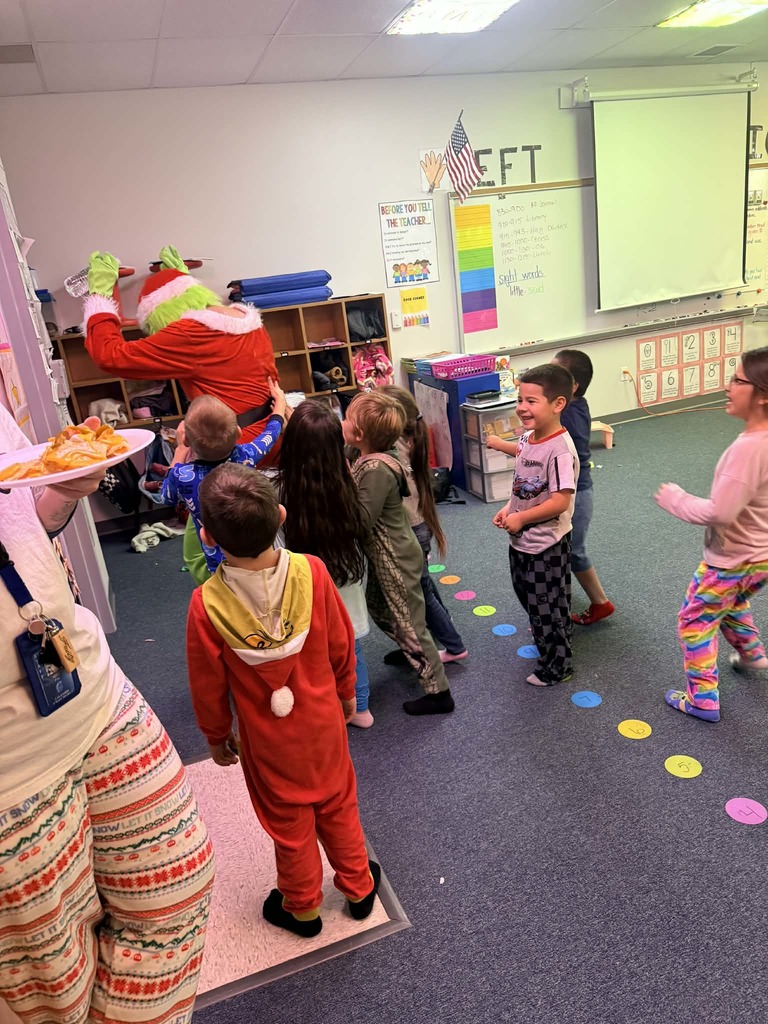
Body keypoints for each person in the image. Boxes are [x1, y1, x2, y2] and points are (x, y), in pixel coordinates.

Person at [0, 407, 215, 1024]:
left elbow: (26, 518)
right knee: (52, 984)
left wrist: (59, 498)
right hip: (13, 767)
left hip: (86, 685)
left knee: (177, 888)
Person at [185, 464, 379, 936]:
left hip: (268, 744)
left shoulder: (205, 605)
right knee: (339, 805)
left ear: (207, 536)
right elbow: (341, 645)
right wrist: (348, 694)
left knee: (289, 828)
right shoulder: (311, 571)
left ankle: (303, 908)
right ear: (282, 516)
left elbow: (206, 687)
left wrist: (216, 738)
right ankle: (358, 888)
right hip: (324, 724)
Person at [655, 349, 768, 723]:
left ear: (763, 394)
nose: (728, 386)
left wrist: (677, 499)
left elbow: (720, 511)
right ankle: (752, 654)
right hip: (760, 558)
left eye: (738, 381)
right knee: (732, 602)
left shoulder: (748, 450)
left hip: (731, 559)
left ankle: (702, 698)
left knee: (695, 620)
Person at [345, 391, 455, 716]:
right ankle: (413, 652)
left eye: (348, 419)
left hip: (395, 556)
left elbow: (362, 520)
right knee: (379, 609)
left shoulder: (377, 467)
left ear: (360, 434)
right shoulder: (372, 456)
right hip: (388, 555)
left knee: (409, 623)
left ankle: (439, 692)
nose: (343, 423)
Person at [278, 401, 375, 728]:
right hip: (344, 579)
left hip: (303, 583)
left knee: (312, 651)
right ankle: (360, 708)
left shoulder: (282, 488)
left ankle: (325, 708)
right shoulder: (345, 486)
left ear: (291, 446)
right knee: (351, 648)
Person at [491, 364, 578, 687]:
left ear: (557, 404)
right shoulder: (528, 439)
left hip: (547, 542)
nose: (522, 408)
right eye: (519, 399)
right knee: (529, 596)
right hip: (521, 538)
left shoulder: (559, 450)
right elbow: (525, 485)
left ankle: (558, 666)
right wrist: (509, 509)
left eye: (531, 401)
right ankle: (553, 640)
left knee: (546, 605)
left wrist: (522, 517)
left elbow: (560, 501)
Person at [162, 386, 286, 583]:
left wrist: (179, 452)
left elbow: (166, 496)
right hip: (259, 550)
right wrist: (279, 402)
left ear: (185, 438)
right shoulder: (247, 455)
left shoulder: (182, 475)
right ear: (238, 432)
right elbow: (271, 433)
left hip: (221, 565)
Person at [381, 385, 467, 666]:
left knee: (421, 591)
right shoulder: (406, 441)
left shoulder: (394, 453)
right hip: (418, 527)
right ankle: (430, 636)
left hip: (412, 530)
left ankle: (453, 646)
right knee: (423, 584)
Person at [551, 349, 614, 626]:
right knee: (562, 551)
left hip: (576, 494)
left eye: (555, 375)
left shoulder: (570, 418)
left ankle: (600, 603)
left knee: (571, 552)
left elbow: (561, 455)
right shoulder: (569, 407)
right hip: (569, 491)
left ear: (573, 386)